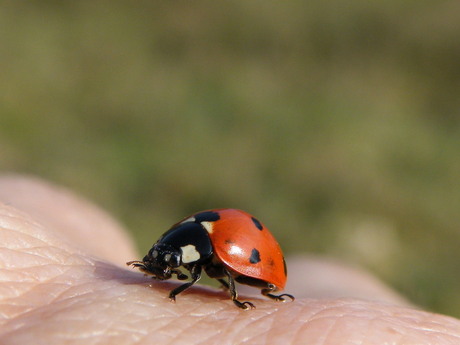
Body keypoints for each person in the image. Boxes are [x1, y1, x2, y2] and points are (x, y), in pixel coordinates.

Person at [0, 175, 459, 344]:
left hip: (247, 265)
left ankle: (244, 296)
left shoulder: (213, 249)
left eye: (169, 261)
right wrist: (154, 262)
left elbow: (210, 266)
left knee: (222, 275)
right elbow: (184, 253)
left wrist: (226, 296)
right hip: (214, 244)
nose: (168, 267)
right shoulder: (190, 240)